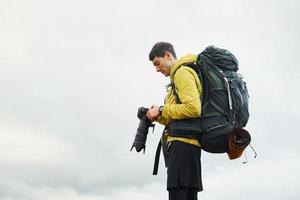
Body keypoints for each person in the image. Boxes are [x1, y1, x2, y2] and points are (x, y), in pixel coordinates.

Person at [146, 41, 203, 200]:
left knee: (177, 195)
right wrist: (158, 115)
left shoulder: (181, 73)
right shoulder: (180, 76)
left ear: (168, 55)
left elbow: (193, 108)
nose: (157, 69)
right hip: (189, 147)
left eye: (158, 63)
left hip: (181, 147)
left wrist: (163, 109)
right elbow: (181, 114)